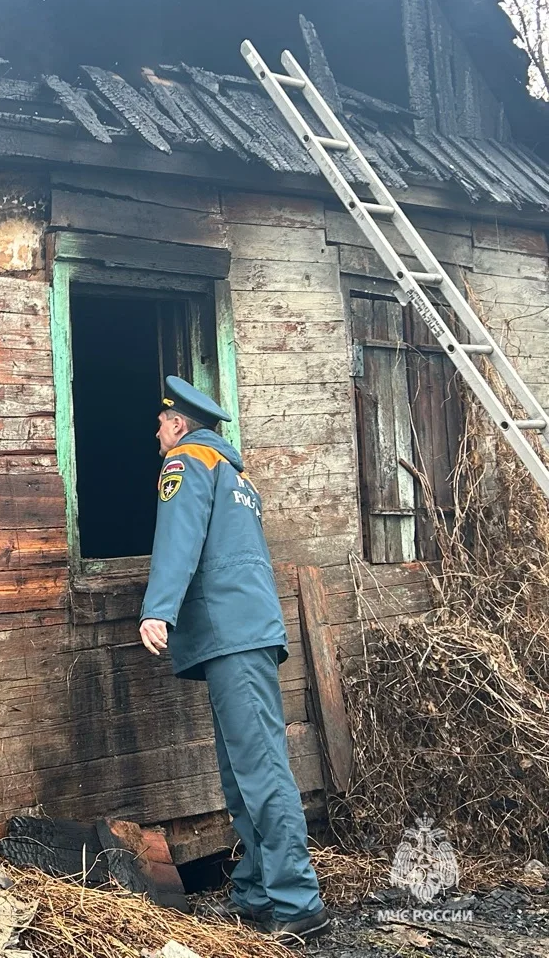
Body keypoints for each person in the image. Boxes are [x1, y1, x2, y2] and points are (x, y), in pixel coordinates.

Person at [138, 376, 331, 943]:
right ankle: (256, 890)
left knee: (261, 770)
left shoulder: (187, 462)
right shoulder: (234, 471)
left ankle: (298, 901)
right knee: (241, 771)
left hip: (232, 633)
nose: (156, 434)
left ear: (178, 424)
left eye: (160, 425)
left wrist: (159, 609)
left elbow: (180, 538)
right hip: (242, 631)